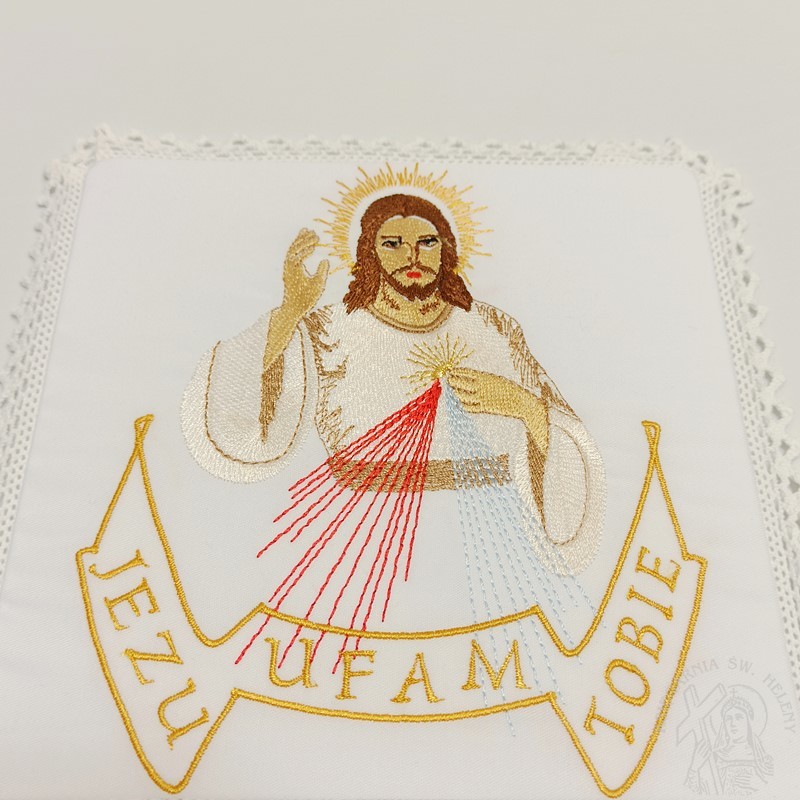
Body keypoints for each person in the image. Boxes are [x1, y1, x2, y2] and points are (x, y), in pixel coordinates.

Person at [181, 192, 605, 634]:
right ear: (369, 253)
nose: (411, 255)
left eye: (427, 241)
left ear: (447, 249)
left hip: (494, 546)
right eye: (392, 243)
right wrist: (290, 312)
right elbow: (244, 413)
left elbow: (574, 446)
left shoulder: (494, 327)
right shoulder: (328, 329)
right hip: (362, 543)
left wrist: (522, 406)